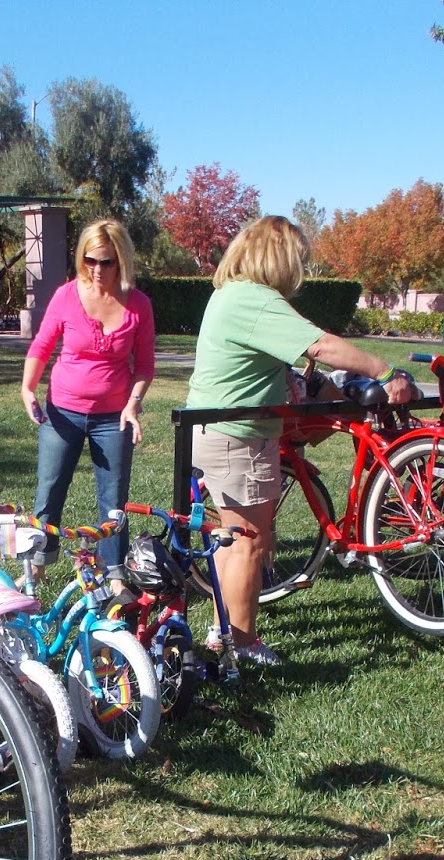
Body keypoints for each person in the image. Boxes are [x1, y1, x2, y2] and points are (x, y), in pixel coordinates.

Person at [185, 215, 417, 666]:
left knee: (234, 541)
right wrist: (384, 370)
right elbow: (321, 346)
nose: (301, 272)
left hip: (218, 430)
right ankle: (242, 643)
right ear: (279, 259)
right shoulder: (254, 299)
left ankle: (223, 636)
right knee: (248, 543)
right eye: (299, 261)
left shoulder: (228, 295)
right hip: (239, 439)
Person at [20, 217, 154, 592]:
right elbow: (42, 346)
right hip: (62, 412)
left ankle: (115, 574)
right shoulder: (66, 295)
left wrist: (133, 404)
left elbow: (144, 366)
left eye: (107, 261)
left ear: (121, 260)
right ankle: (38, 564)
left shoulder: (139, 304)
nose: (97, 270)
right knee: (49, 490)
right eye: (90, 260)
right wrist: (28, 388)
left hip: (114, 418)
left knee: (113, 500)